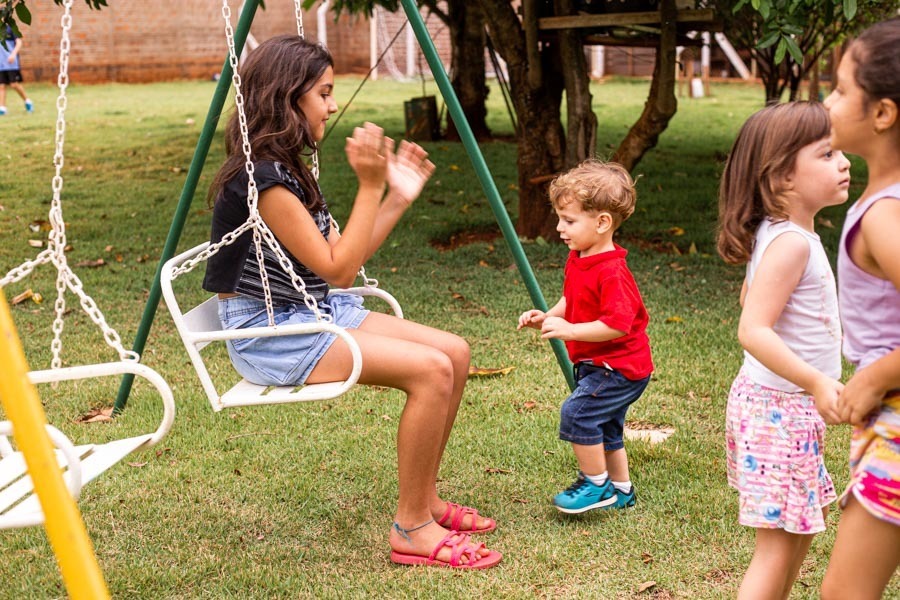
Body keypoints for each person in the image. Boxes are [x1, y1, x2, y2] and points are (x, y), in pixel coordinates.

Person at [202, 35, 501, 570]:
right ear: (287, 96)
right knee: (432, 370)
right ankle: (412, 527)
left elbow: (346, 256)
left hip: (313, 312)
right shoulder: (263, 181)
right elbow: (339, 271)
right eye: (324, 92)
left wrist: (395, 196)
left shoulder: (286, 167)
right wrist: (368, 185)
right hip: (269, 333)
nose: (333, 104)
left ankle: (425, 499)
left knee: (455, 352)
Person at [716, 101, 851, 599]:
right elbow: (752, 328)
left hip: (779, 407)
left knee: (802, 528)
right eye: (827, 154)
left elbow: (750, 297)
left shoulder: (781, 235)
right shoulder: (791, 243)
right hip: (781, 411)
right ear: (781, 178)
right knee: (776, 548)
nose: (845, 163)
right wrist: (816, 380)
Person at [517, 159, 653, 514]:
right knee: (606, 428)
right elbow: (572, 299)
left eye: (569, 220)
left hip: (619, 368)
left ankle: (596, 485)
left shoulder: (612, 271)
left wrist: (572, 331)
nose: (559, 228)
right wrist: (549, 317)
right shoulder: (579, 256)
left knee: (577, 414)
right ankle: (621, 491)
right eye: (560, 218)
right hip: (598, 364)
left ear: (602, 222)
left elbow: (618, 324)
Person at [820, 18, 900, 599]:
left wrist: (875, 376)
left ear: (883, 113)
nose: (828, 101)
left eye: (842, 89)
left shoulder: (883, 216)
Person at [0, 25, 34, 116]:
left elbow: (19, 42)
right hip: (1, 63)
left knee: (14, 84)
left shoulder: (11, 28)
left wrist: (13, 54)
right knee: (1, 86)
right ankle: (2, 108)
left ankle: (28, 101)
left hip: (11, 63)